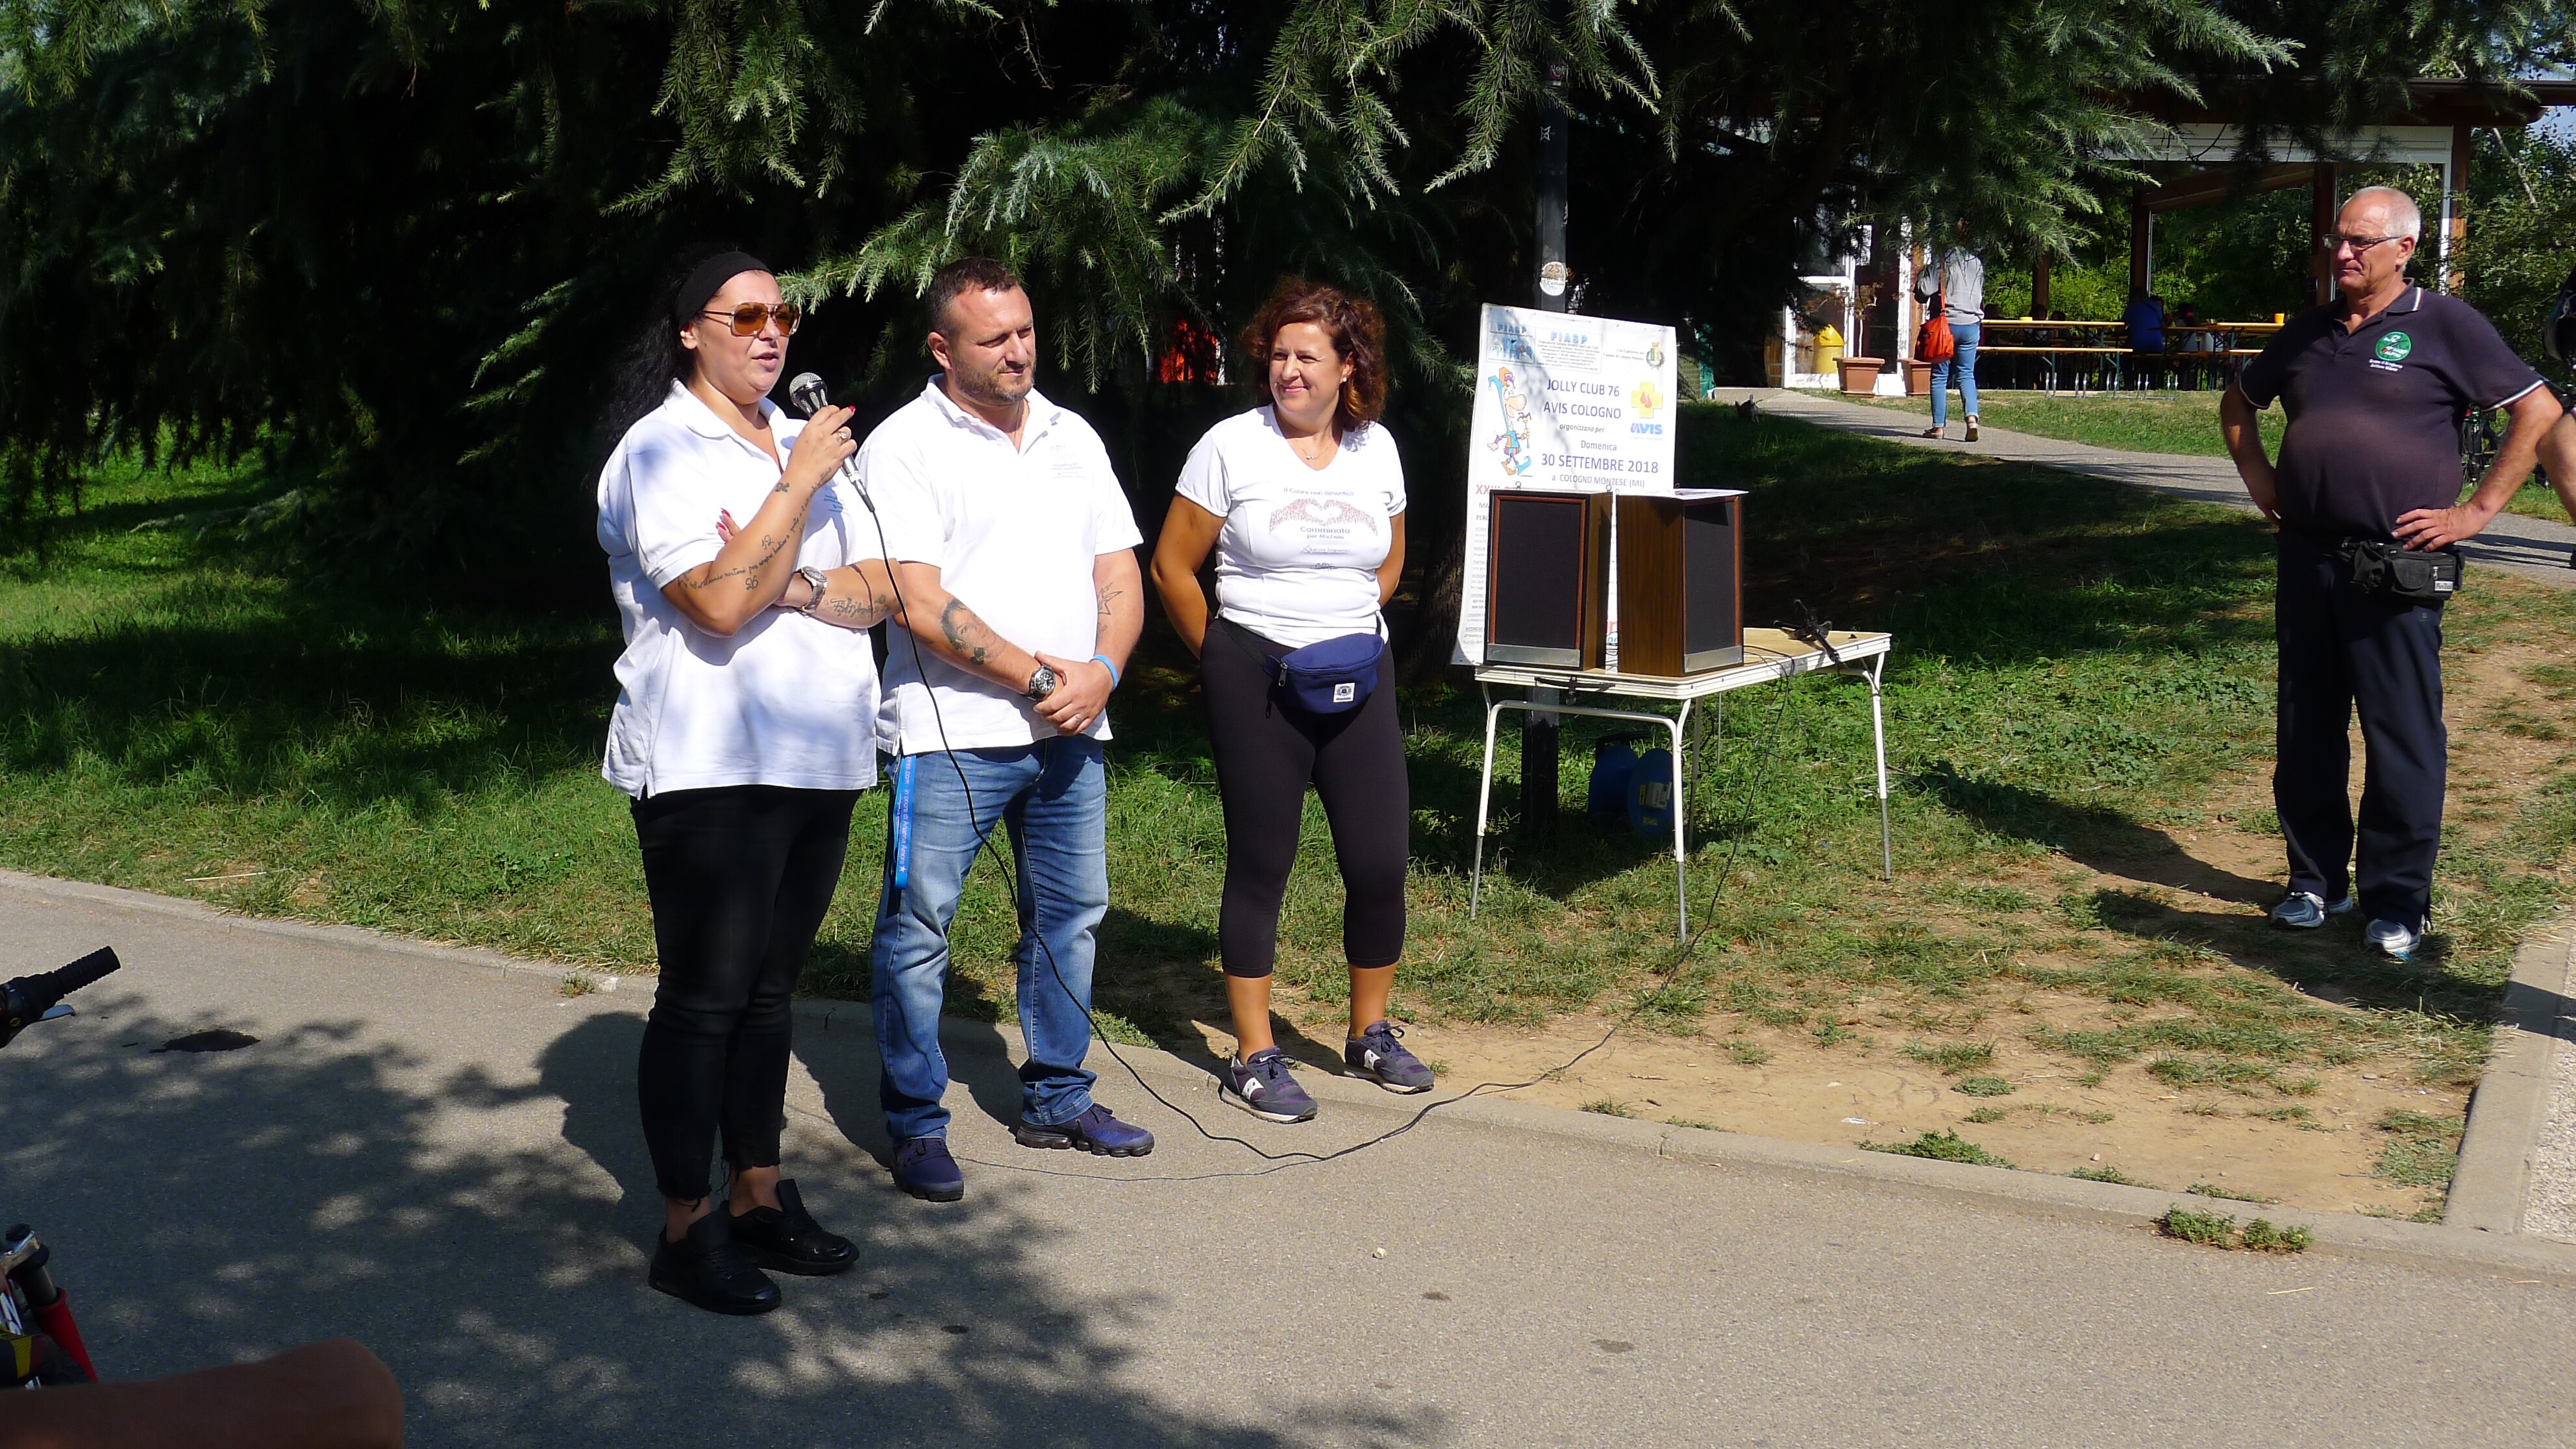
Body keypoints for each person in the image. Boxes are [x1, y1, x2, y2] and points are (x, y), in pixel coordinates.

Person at [596, 247, 897, 1315]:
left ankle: (757, 1195)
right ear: (692, 331)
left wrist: (785, 575)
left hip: (820, 753)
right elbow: (717, 605)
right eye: (746, 316)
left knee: (770, 993)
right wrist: (796, 489)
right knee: (707, 996)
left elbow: (882, 589)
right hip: (710, 762)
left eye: (784, 316)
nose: (772, 334)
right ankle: (686, 1227)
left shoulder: (798, 436)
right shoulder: (660, 451)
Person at [858, 257, 1153, 1203]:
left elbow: (1119, 572)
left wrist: (1102, 672)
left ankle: (1059, 1097)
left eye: (1025, 331)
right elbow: (914, 600)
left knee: (1071, 916)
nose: (1018, 351)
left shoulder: (1072, 435)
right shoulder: (904, 446)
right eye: (994, 339)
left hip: (1072, 728)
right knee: (918, 929)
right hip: (951, 733)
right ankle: (915, 1123)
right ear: (942, 349)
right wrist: (1039, 677)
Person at [2219, 187, 2562, 961]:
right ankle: (2315, 883)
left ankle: (2396, 901)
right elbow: (2236, 407)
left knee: (2400, 734)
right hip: (2307, 557)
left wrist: (2474, 512)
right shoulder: (2307, 332)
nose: (2341, 254)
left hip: (2395, 565)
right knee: (2305, 728)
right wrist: (2262, 482)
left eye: (2359, 242)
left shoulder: (2444, 324)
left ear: (2404, 248)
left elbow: (2537, 412)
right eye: (2335, 240)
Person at [1148, 278, 1433, 1124]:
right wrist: (1223, 658)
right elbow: (1171, 567)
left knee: (1379, 864)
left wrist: (1345, 624)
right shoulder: (1229, 447)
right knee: (1261, 864)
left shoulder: (1376, 449)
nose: (1289, 370)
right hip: (1257, 679)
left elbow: (1390, 560)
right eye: (1278, 355)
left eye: (1307, 356)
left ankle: (1369, 1033)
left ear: (1349, 366)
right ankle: (1253, 1052)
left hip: (1358, 677)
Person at [1913, 229, 1983, 442]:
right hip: (1971, 325)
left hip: (1946, 325)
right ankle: (1972, 420)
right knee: (1966, 374)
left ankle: (1938, 428)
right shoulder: (1977, 262)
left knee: (1939, 376)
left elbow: (1924, 291)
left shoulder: (1941, 261)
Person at [2123, 287, 2165, 353]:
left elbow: (2121, 328)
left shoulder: (2133, 307)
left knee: (2124, 351)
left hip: (2139, 345)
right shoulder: (2156, 308)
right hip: (2157, 345)